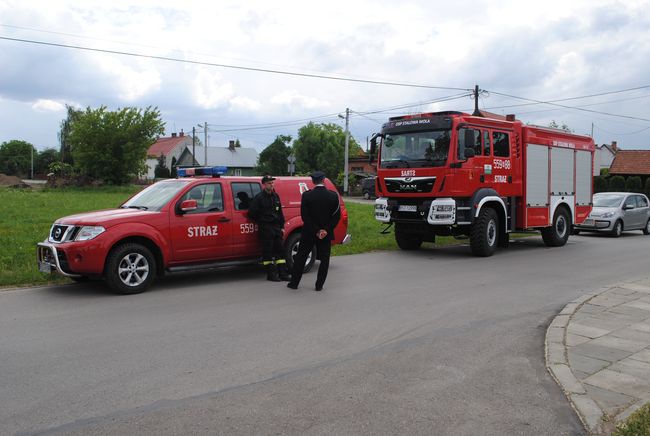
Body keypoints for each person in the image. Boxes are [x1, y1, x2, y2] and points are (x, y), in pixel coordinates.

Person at [287, 171, 341, 291]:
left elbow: (304, 216)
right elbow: (336, 216)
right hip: (325, 234)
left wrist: (316, 230)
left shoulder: (307, 195)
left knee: (301, 257)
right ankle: (319, 285)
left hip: (309, 232)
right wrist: (325, 230)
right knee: (325, 259)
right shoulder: (333, 196)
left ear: (313, 181)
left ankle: (294, 283)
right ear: (323, 180)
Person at [248, 175, 290, 282]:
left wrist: (282, 226)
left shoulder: (275, 196)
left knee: (280, 250)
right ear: (264, 184)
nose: (271, 185)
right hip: (265, 228)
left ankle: (283, 274)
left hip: (276, 227)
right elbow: (251, 213)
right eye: (269, 183)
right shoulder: (259, 198)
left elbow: (280, 213)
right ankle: (271, 275)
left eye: (272, 183)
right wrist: (262, 220)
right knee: (268, 252)